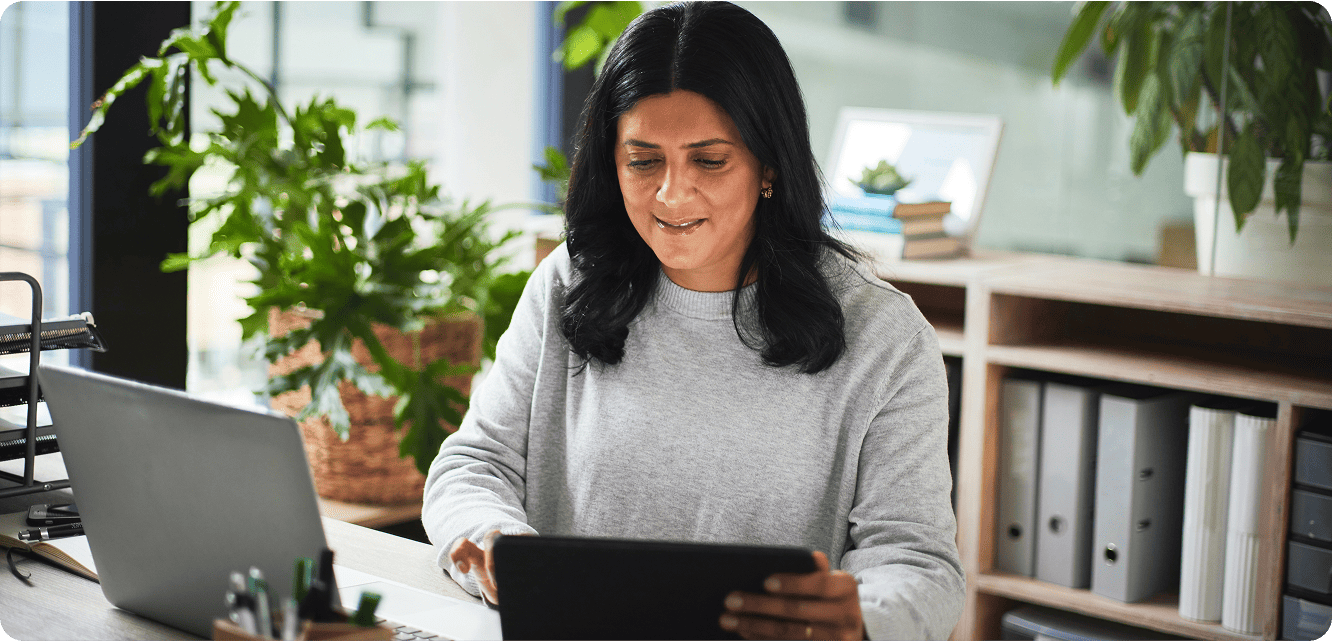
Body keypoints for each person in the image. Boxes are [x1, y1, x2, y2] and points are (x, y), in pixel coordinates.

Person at [421, 2, 965, 639]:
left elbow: (920, 564)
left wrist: (865, 617)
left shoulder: (884, 336)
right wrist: (491, 538)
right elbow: (473, 464)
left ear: (769, 165)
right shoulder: (569, 283)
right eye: (643, 161)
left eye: (709, 161)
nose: (672, 194)